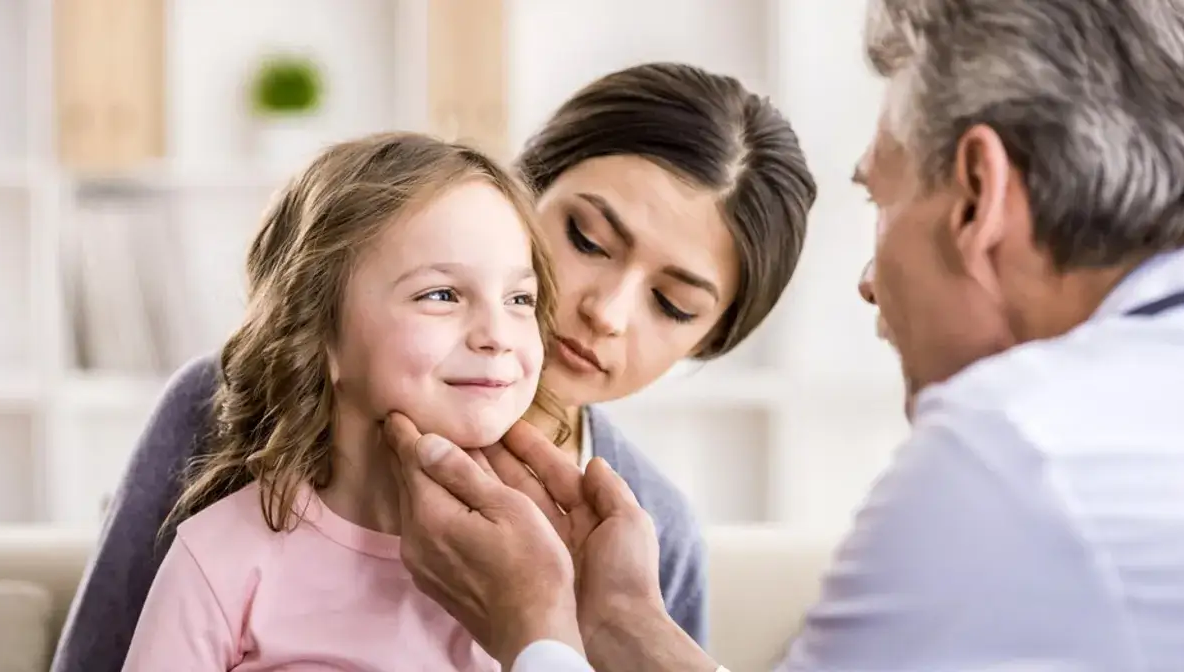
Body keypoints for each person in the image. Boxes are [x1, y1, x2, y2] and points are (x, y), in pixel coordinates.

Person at [382, 0, 1184, 670]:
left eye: (881, 201)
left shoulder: (1012, 449)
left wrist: (540, 632)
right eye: (588, 239)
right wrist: (620, 625)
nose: (868, 282)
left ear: (978, 196)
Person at [52, 62, 817, 671]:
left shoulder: (649, 533)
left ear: (708, 341)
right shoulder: (222, 405)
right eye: (586, 239)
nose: (607, 312)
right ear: (521, 197)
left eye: (673, 305)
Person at [119, 131, 569, 669]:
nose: (497, 334)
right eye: (441, 295)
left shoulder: (545, 567)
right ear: (319, 335)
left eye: (519, 298)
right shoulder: (221, 555)